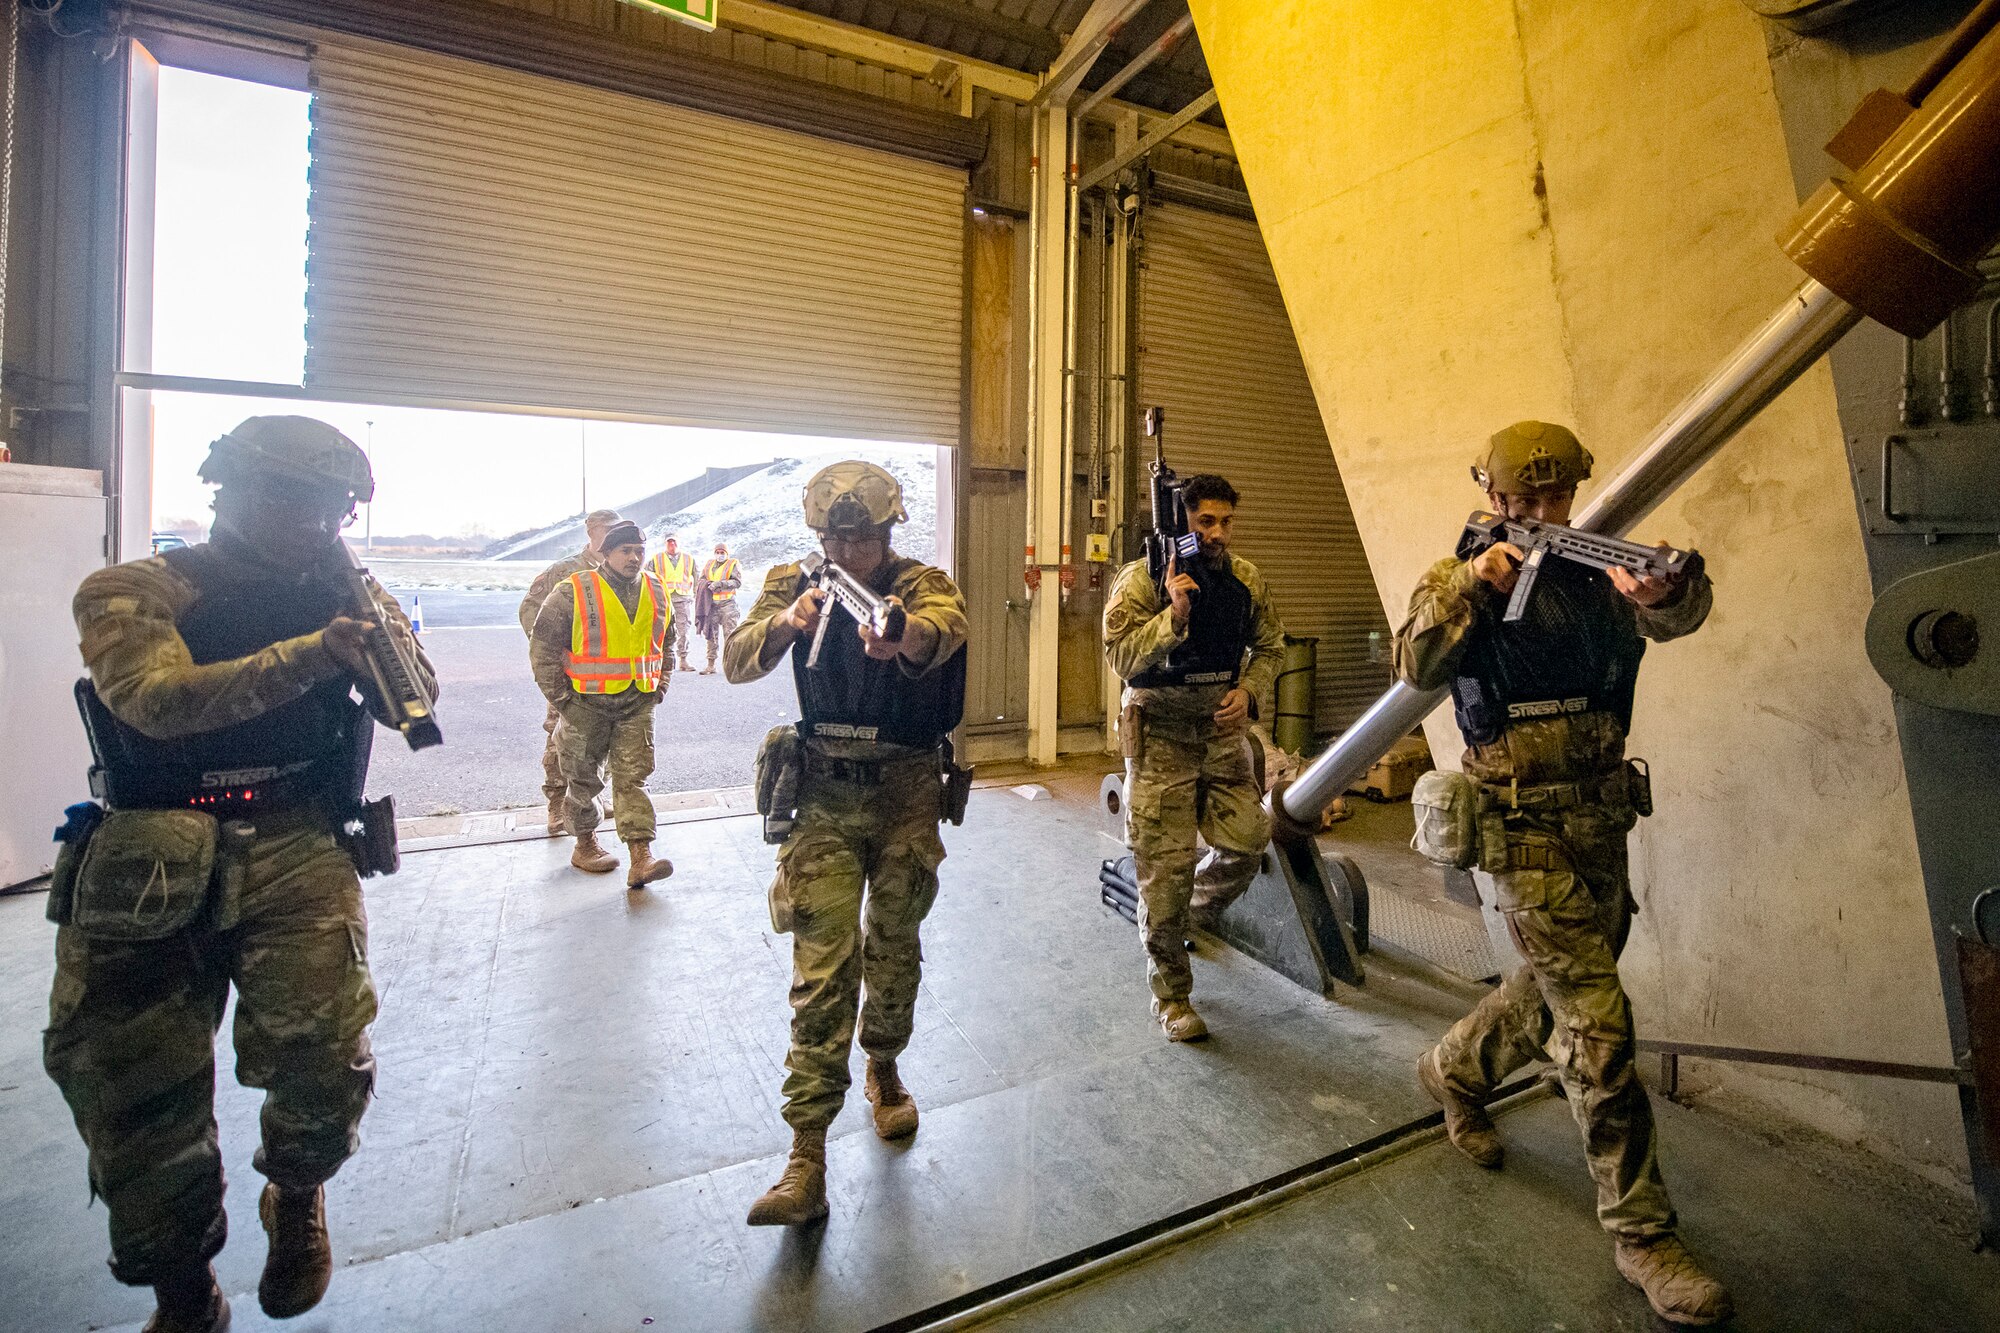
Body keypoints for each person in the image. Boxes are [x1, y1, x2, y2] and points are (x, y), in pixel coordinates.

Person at [44, 415, 436, 1333]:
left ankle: (296, 1194)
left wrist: (365, 624)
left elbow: (413, 703)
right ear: (232, 491)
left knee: (322, 1057)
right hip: (151, 855)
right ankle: (184, 1289)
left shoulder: (342, 587)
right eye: (297, 503)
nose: (318, 526)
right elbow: (155, 702)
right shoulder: (137, 589)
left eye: (334, 511)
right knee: (134, 1088)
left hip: (296, 839)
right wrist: (312, 651)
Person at [1394, 421, 1728, 1328]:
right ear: (1495, 496)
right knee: (1597, 1020)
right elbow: (1414, 661)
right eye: (1526, 500)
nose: (1543, 514)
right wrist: (1472, 581)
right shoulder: (1454, 573)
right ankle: (1643, 1232)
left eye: (1557, 498)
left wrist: (1667, 592)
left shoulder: (1598, 565)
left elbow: (1675, 617)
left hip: (1601, 812)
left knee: (1551, 988)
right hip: (1521, 822)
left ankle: (1452, 1070)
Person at [724, 462, 967, 1227]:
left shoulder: (921, 582)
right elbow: (736, 657)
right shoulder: (795, 580)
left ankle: (884, 1067)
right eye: (837, 536)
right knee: (822, 966)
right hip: (823, 793)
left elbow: (944, 627)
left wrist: (902, 640)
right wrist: (788, 622)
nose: (851, 550)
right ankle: (806, 1154)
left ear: (889, 532)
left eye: (864, 537)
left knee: (894, 942)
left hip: (904, 790)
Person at [1103, 474, 1285, 1043]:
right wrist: (1172, 619)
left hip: (1221, 734)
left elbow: (1271, 647)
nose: (1217, 534)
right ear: (1181, 520)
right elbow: (1120, 658)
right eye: (1206, 522)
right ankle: (1172, 994)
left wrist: (1250, 692)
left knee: (1249, 841)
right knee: (1164, 875)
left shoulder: (1245, 579)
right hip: (1161, 739)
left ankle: (1191, 914)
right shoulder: (1140, 582)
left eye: (1226, 522)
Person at [529, 521, 676, 889]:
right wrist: (563, 700)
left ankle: (641, 856)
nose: (634, 558)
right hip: (585, 704)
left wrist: (661, 685)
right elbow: (543, 648)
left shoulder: (657, 590)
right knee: (582, 779)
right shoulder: (572, 591)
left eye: (639, 551)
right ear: (606, 553)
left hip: (636, 702)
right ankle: (585, 844)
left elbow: (668, 642)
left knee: (633, 779)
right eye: (625, 551)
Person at [519, 509, 623, 834]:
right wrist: (553, 655)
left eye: (616, 531)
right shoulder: (564, 571)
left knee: (604, 741)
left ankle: (593, 801)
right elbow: (529, 611)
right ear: (591, 531)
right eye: (606, 530)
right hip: (571, 678)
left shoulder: (621, 572)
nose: (611, 537)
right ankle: (556, 807)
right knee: (560, 741)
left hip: (610, 678)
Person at [648, 534, 699, 673]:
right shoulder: (656, 559)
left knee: (684, 630)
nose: (672, 544)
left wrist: (695, 592)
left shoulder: (689, 559)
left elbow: (697, 576)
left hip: (683, 599)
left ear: (678, 543)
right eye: (669, 542)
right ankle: (661, 661)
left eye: (674, 542)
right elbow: (647, 577)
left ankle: (683, 660)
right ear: (666, 544)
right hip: (663, 599)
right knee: (661, 630)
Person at [697, 541, 743, 674]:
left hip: (728, 604)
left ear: (726, 553)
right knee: (711, 635)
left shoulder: (733, 564)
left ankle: (732, 666)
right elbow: (701, 579)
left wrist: (720, 584)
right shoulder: (709, 564)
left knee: (730, 636)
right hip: (711, 605)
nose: (719, 555)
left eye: (722, 553)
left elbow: (737, 582)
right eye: (717, 552)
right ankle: (710, 665)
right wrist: (708, 584)